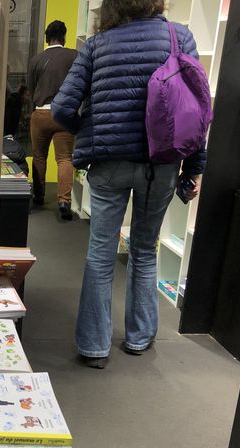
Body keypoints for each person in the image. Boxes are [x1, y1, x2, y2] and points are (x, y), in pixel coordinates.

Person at [52, 0, 206, 369]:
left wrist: (90, 131)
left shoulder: (97, 44)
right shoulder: (178, 36)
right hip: (162, 163)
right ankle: (139, 338)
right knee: (144, 250)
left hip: (109, 164)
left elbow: (60, 108)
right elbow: (197, 110)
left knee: (101, 253)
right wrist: (195, 167)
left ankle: (93, 347)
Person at [27, 20, 77, 219]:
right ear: (64, 37)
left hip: (41, 113)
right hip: (64, 114)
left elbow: (31, 88)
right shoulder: (74, 56)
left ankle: (38, 196)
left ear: (46, 38)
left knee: (39, 156)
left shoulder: (36, 60)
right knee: (64, 158)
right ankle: (64, 201)